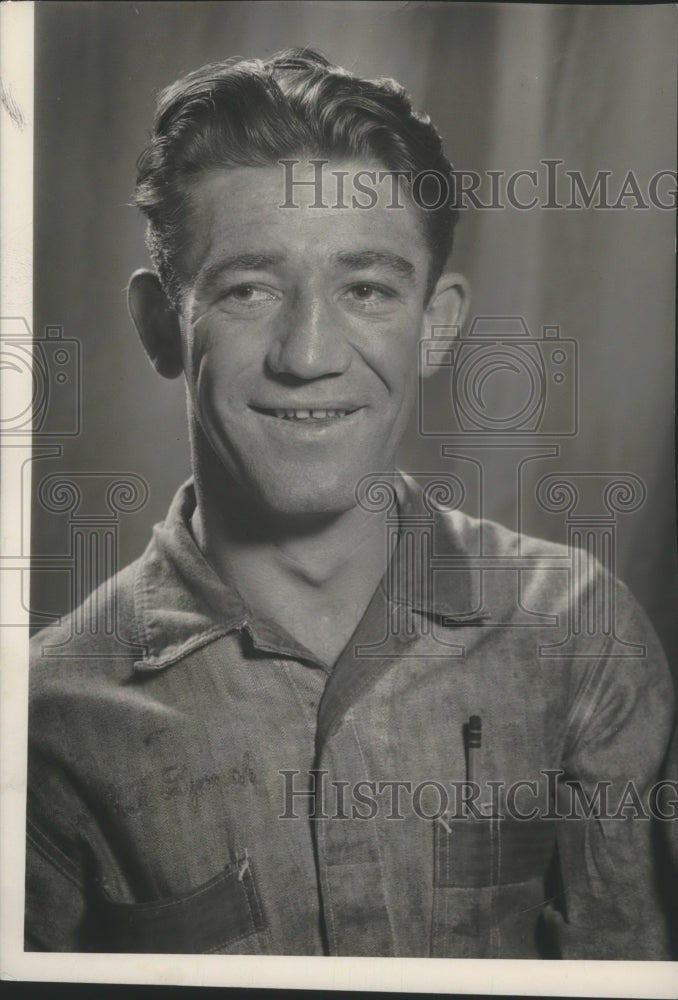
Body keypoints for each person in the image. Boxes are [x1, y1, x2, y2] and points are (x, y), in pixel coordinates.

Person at [25, 48, 675, 958]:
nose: (308, 354)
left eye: (365, 289)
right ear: (162, 325)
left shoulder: (580, 633)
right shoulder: (45, 716)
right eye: (249, 289)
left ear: (436, 324)